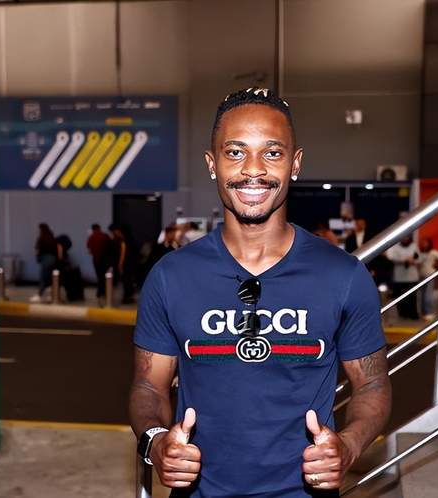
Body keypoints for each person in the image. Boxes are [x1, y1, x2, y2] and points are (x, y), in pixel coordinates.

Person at [129, 87, 392, 497]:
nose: (253, 169)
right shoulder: (171, 276)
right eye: (235, 152)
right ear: (212, 164)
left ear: (295, 163)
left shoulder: (343, 275)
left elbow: (372, 384)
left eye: (272, 153)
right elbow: (148, 387)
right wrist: (156, 441)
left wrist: (349, 446)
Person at [385, 235, 420, 320]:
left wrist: (413, 260)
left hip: (412, 276)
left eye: (407, 237)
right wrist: (404, 260)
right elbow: (391, 257)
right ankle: (402, 314)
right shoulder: (395, 247)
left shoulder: (414, 246)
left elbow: (419, 258)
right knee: (400, 296)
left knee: (412, 296)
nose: (405, 239)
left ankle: (413, 314)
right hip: (399, 276)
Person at [31, 223, 58, 302]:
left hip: (45, 259)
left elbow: (38, 249)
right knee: (50, 278)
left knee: (43, 277)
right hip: (53, 259)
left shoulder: (41, 238)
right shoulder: (51, 237)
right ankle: (51, 295)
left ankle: (40, 294)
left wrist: (38, 257)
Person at [418, 237, 438, 320]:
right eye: (423, 243)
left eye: (426, 243)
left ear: (429, 244)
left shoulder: (433, 252)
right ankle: (423, 313)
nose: (424, 244)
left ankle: (429, 312)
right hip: (421, 275)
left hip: (430, 275)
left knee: (428, 295)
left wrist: (437, 265)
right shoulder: (420, 253)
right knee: (422, 295)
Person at [87, 224, 111, 303]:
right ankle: (104, 292)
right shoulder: (105, 236)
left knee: (99, 276)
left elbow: (89, 249)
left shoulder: (91, 237)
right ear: (99, 228)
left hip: (96, 260)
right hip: (105, 260)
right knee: (104, 276)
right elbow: (110, 247)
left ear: (93, 229)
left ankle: (100, 292)